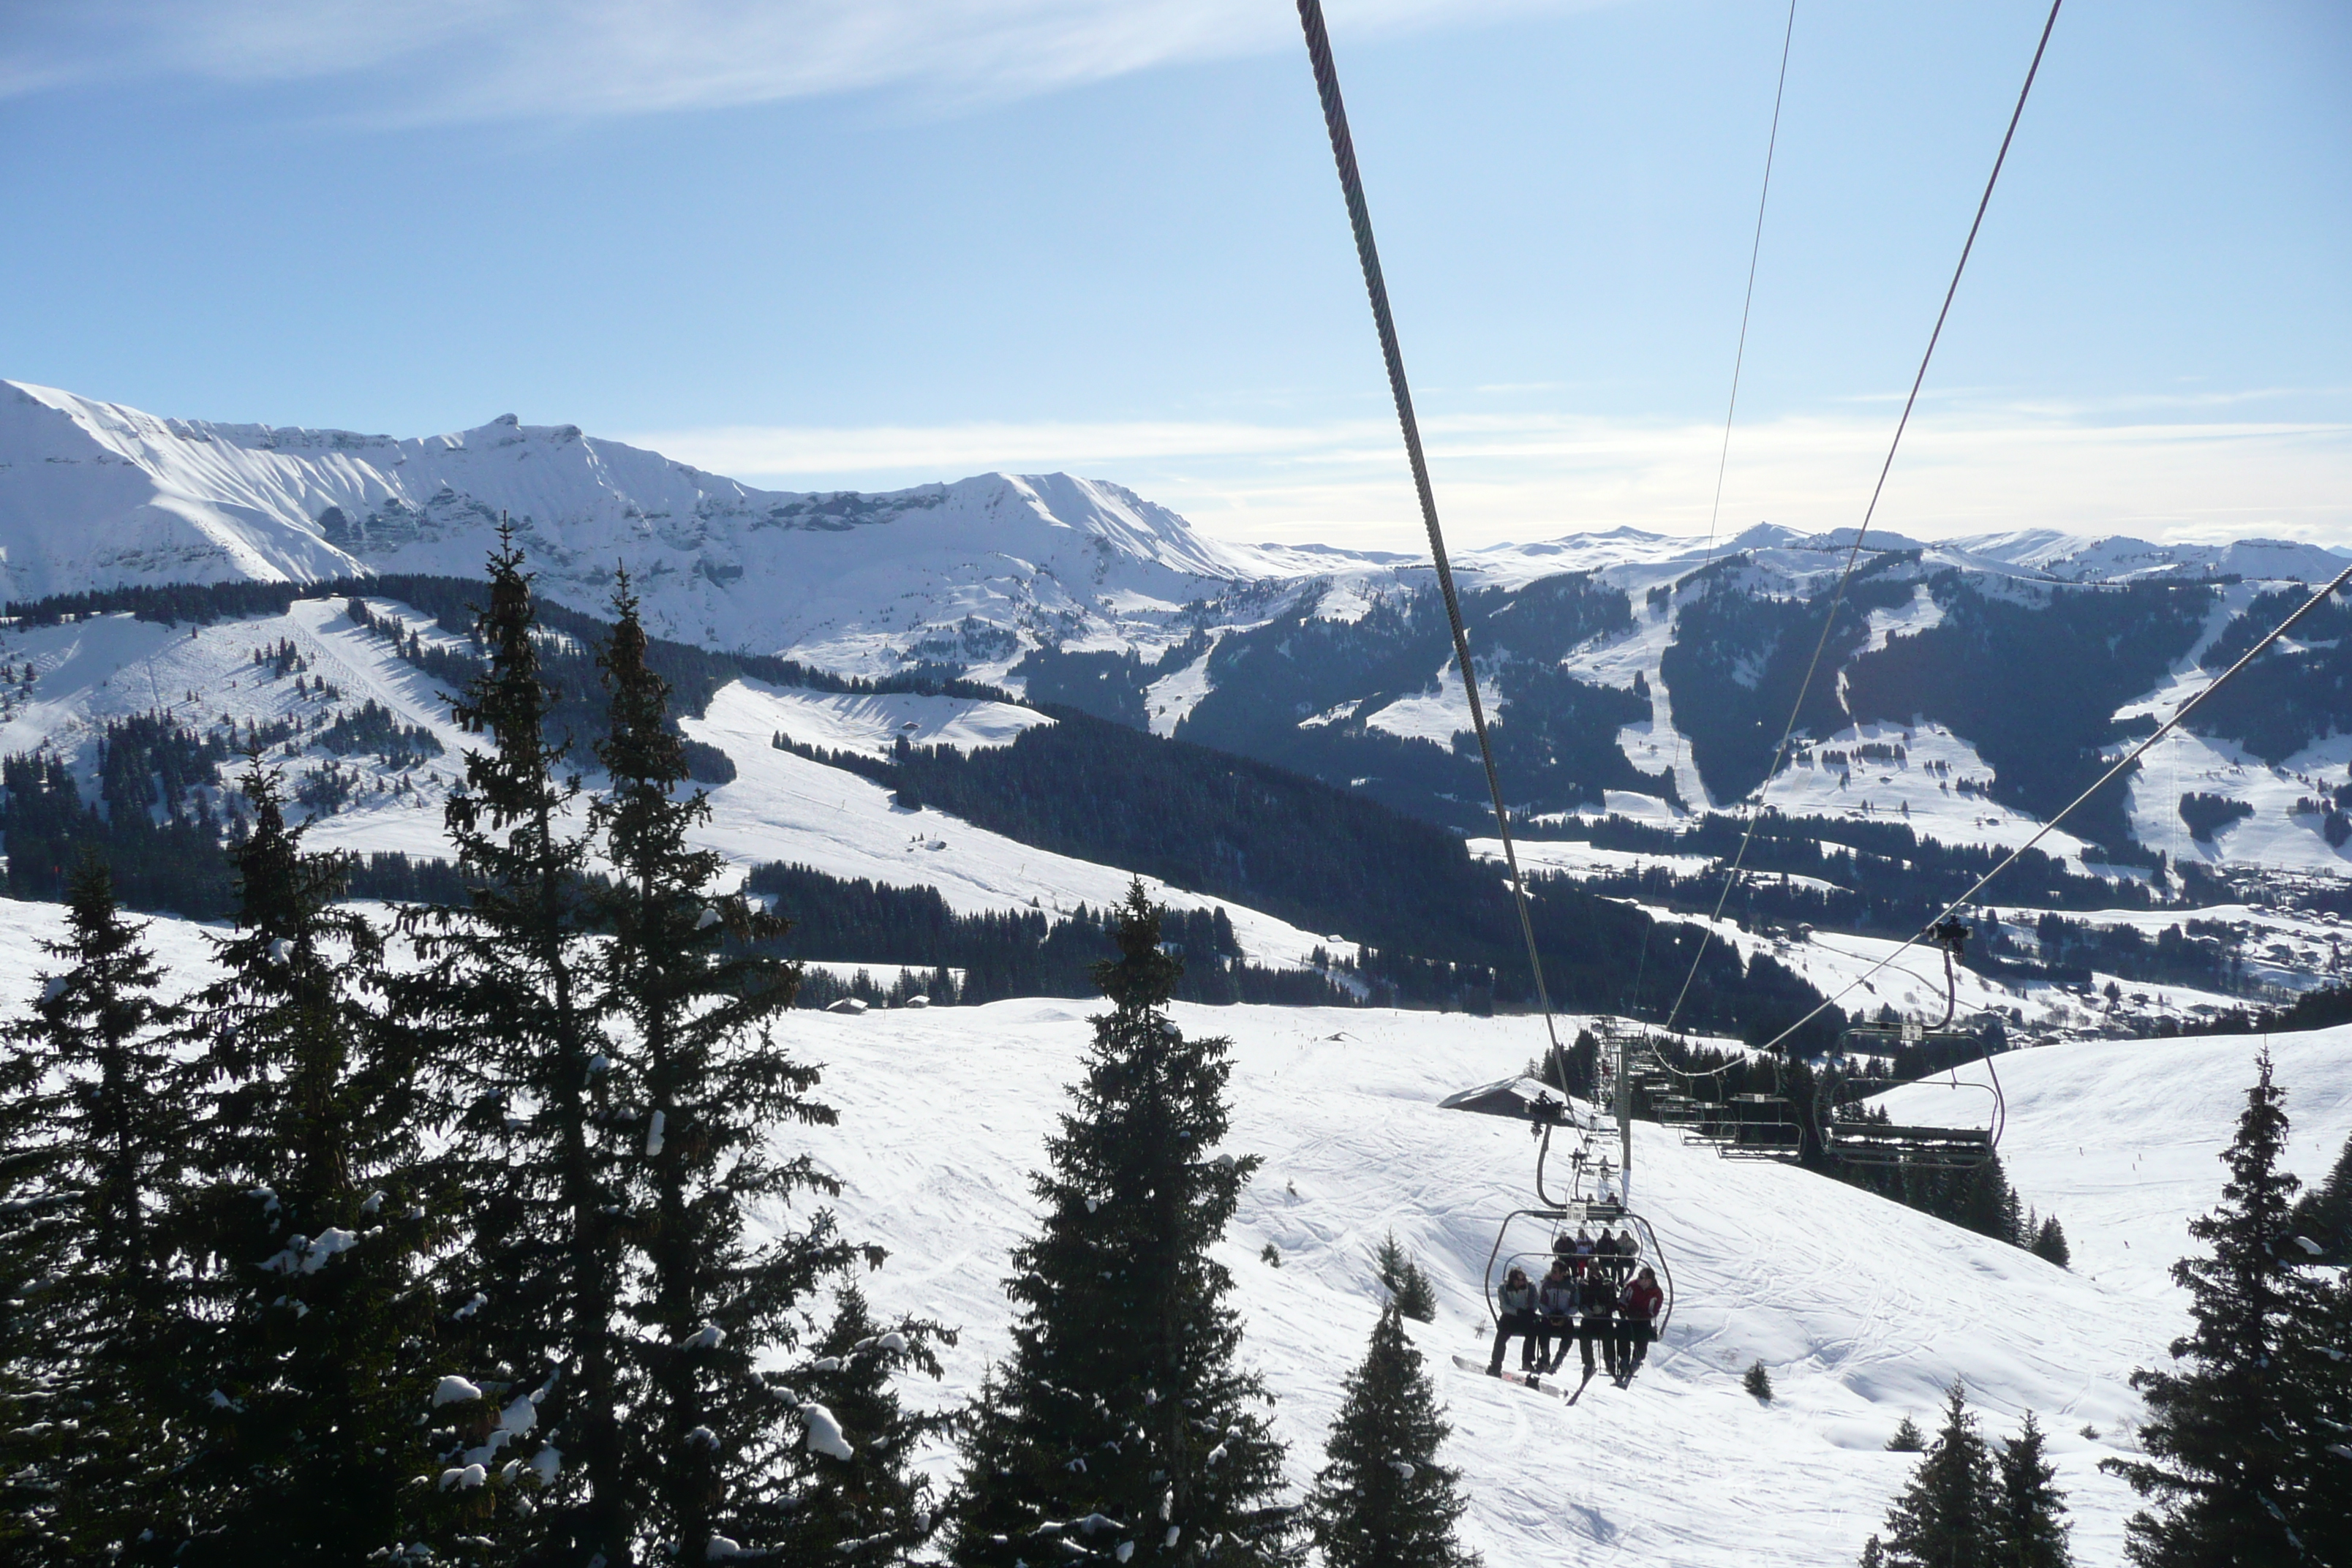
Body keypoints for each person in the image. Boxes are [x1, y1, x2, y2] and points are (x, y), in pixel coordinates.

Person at [1615, 1264, 1665, 1387]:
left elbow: (1654, 1311)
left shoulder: (1656, 1293)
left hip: (1643, 1320)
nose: (1638, 1279)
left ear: (1649, 1280)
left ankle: (1636, 1360)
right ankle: (1624, 1359)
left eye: (1641, 1277)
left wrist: (1642, 1315)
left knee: (1643, 1334)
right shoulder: (1632, 1286)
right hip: (1629, 1317)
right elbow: (1622, 1299)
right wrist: (1623, 1309)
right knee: (1621, 1330)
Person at [1487, 1265, 1539, 1376]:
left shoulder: (1530, 1287)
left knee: (1532, 1332)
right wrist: (1517, 1312)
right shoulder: (1504, 1288)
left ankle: (1527, 1361)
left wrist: (1529, 1311)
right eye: (1518, 1280)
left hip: (1525, 1316)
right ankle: (1496, 1364)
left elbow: (1535, 1302)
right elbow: (1504, 1306)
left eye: (1523, 1280)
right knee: (1502, 1334)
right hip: (1510, 1316)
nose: (1521, 1283)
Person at [1572, 1267, 1616, 1381]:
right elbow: (1579, 1302)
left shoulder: (1608, 1285)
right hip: (1590, 1319)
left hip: (1604, 1319)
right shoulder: (1583, 1286)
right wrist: (1584, 1309)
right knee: (1584, 1333)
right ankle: (1588, 1363)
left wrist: (1604, 1309)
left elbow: (1613, 1303)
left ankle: (1610, 1361)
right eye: (1592, 1270)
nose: (1594, 1273)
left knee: (1608, 1333)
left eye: (1596, 1269)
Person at [1534, 1257, 1578, 1374]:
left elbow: (1575, 1306)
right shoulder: (1547, 1285)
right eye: (1552, 1271)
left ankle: (1558, 1361)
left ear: (1563, 1274)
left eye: (1555, 1272)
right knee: (1542, 1329)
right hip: (1549, 1316)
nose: (1552, 1274)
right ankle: (1544, 1357)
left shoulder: (1571, 1287)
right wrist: (1549, 1314)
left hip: (1564, 1317)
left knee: (1568, 1335)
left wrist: (1564, 1316)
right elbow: (1541, 1303)